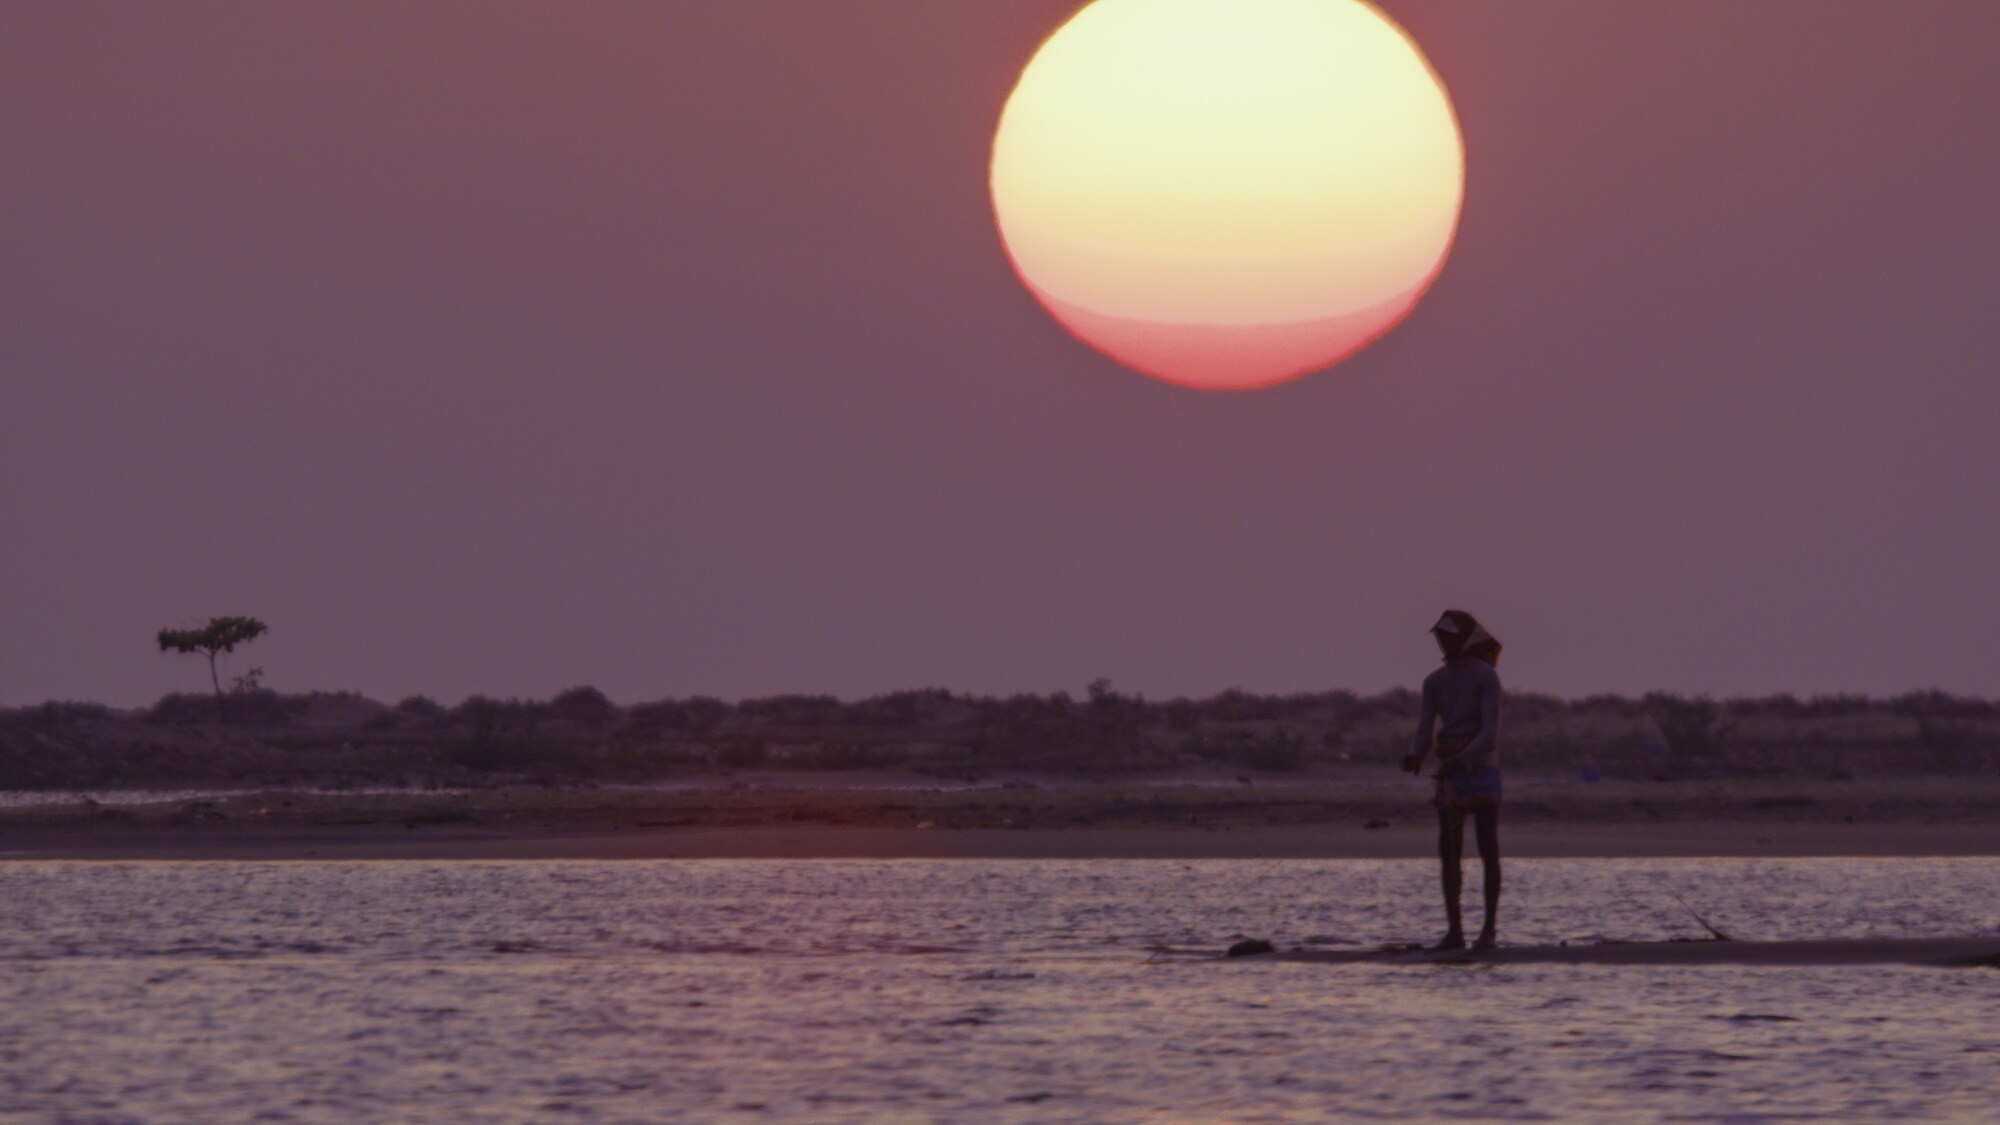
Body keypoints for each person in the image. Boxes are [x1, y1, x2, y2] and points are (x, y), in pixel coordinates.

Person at [1401, 610, 1504, 951]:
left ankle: (1488, 930)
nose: (1444, 643)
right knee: (1449, 851)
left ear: (1465, 638)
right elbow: (1424, 730)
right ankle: (1455, 930)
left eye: (1449, 637)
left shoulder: (1486, 676)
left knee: (1488, 849)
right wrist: (1416, 756)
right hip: (1450, 771)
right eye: (1440, 638)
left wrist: (1464, 758)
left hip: (1481, 765)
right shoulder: (1434, 681)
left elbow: (1489, 730)